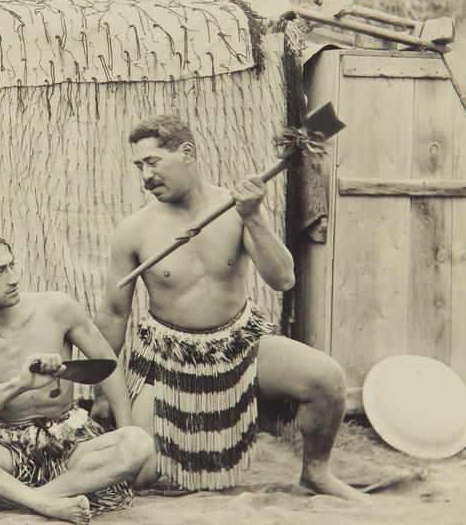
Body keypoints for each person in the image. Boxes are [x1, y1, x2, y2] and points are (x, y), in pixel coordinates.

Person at [95, 115, 367, 501]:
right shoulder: (134, 230)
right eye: (139, 166)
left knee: (327, 379)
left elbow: (283, 279)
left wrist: (253, 215)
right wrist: (103, 390)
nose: (145, 176)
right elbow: (113, 312)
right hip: (167, 358)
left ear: (186, 153)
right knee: (139, 473)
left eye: (153, 162)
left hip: (238, 345)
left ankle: (316, 473)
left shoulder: (237, 210)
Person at [0, 231, 155, 525]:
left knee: (138, 442)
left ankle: (21, 496)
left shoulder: (56, 308)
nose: (14, 278)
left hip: (72, 445)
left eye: (12, 266)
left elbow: (109, 366)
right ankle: (41, 502)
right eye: (0, 271)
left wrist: (125, 427)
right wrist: (19, 383)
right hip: (4, 449)